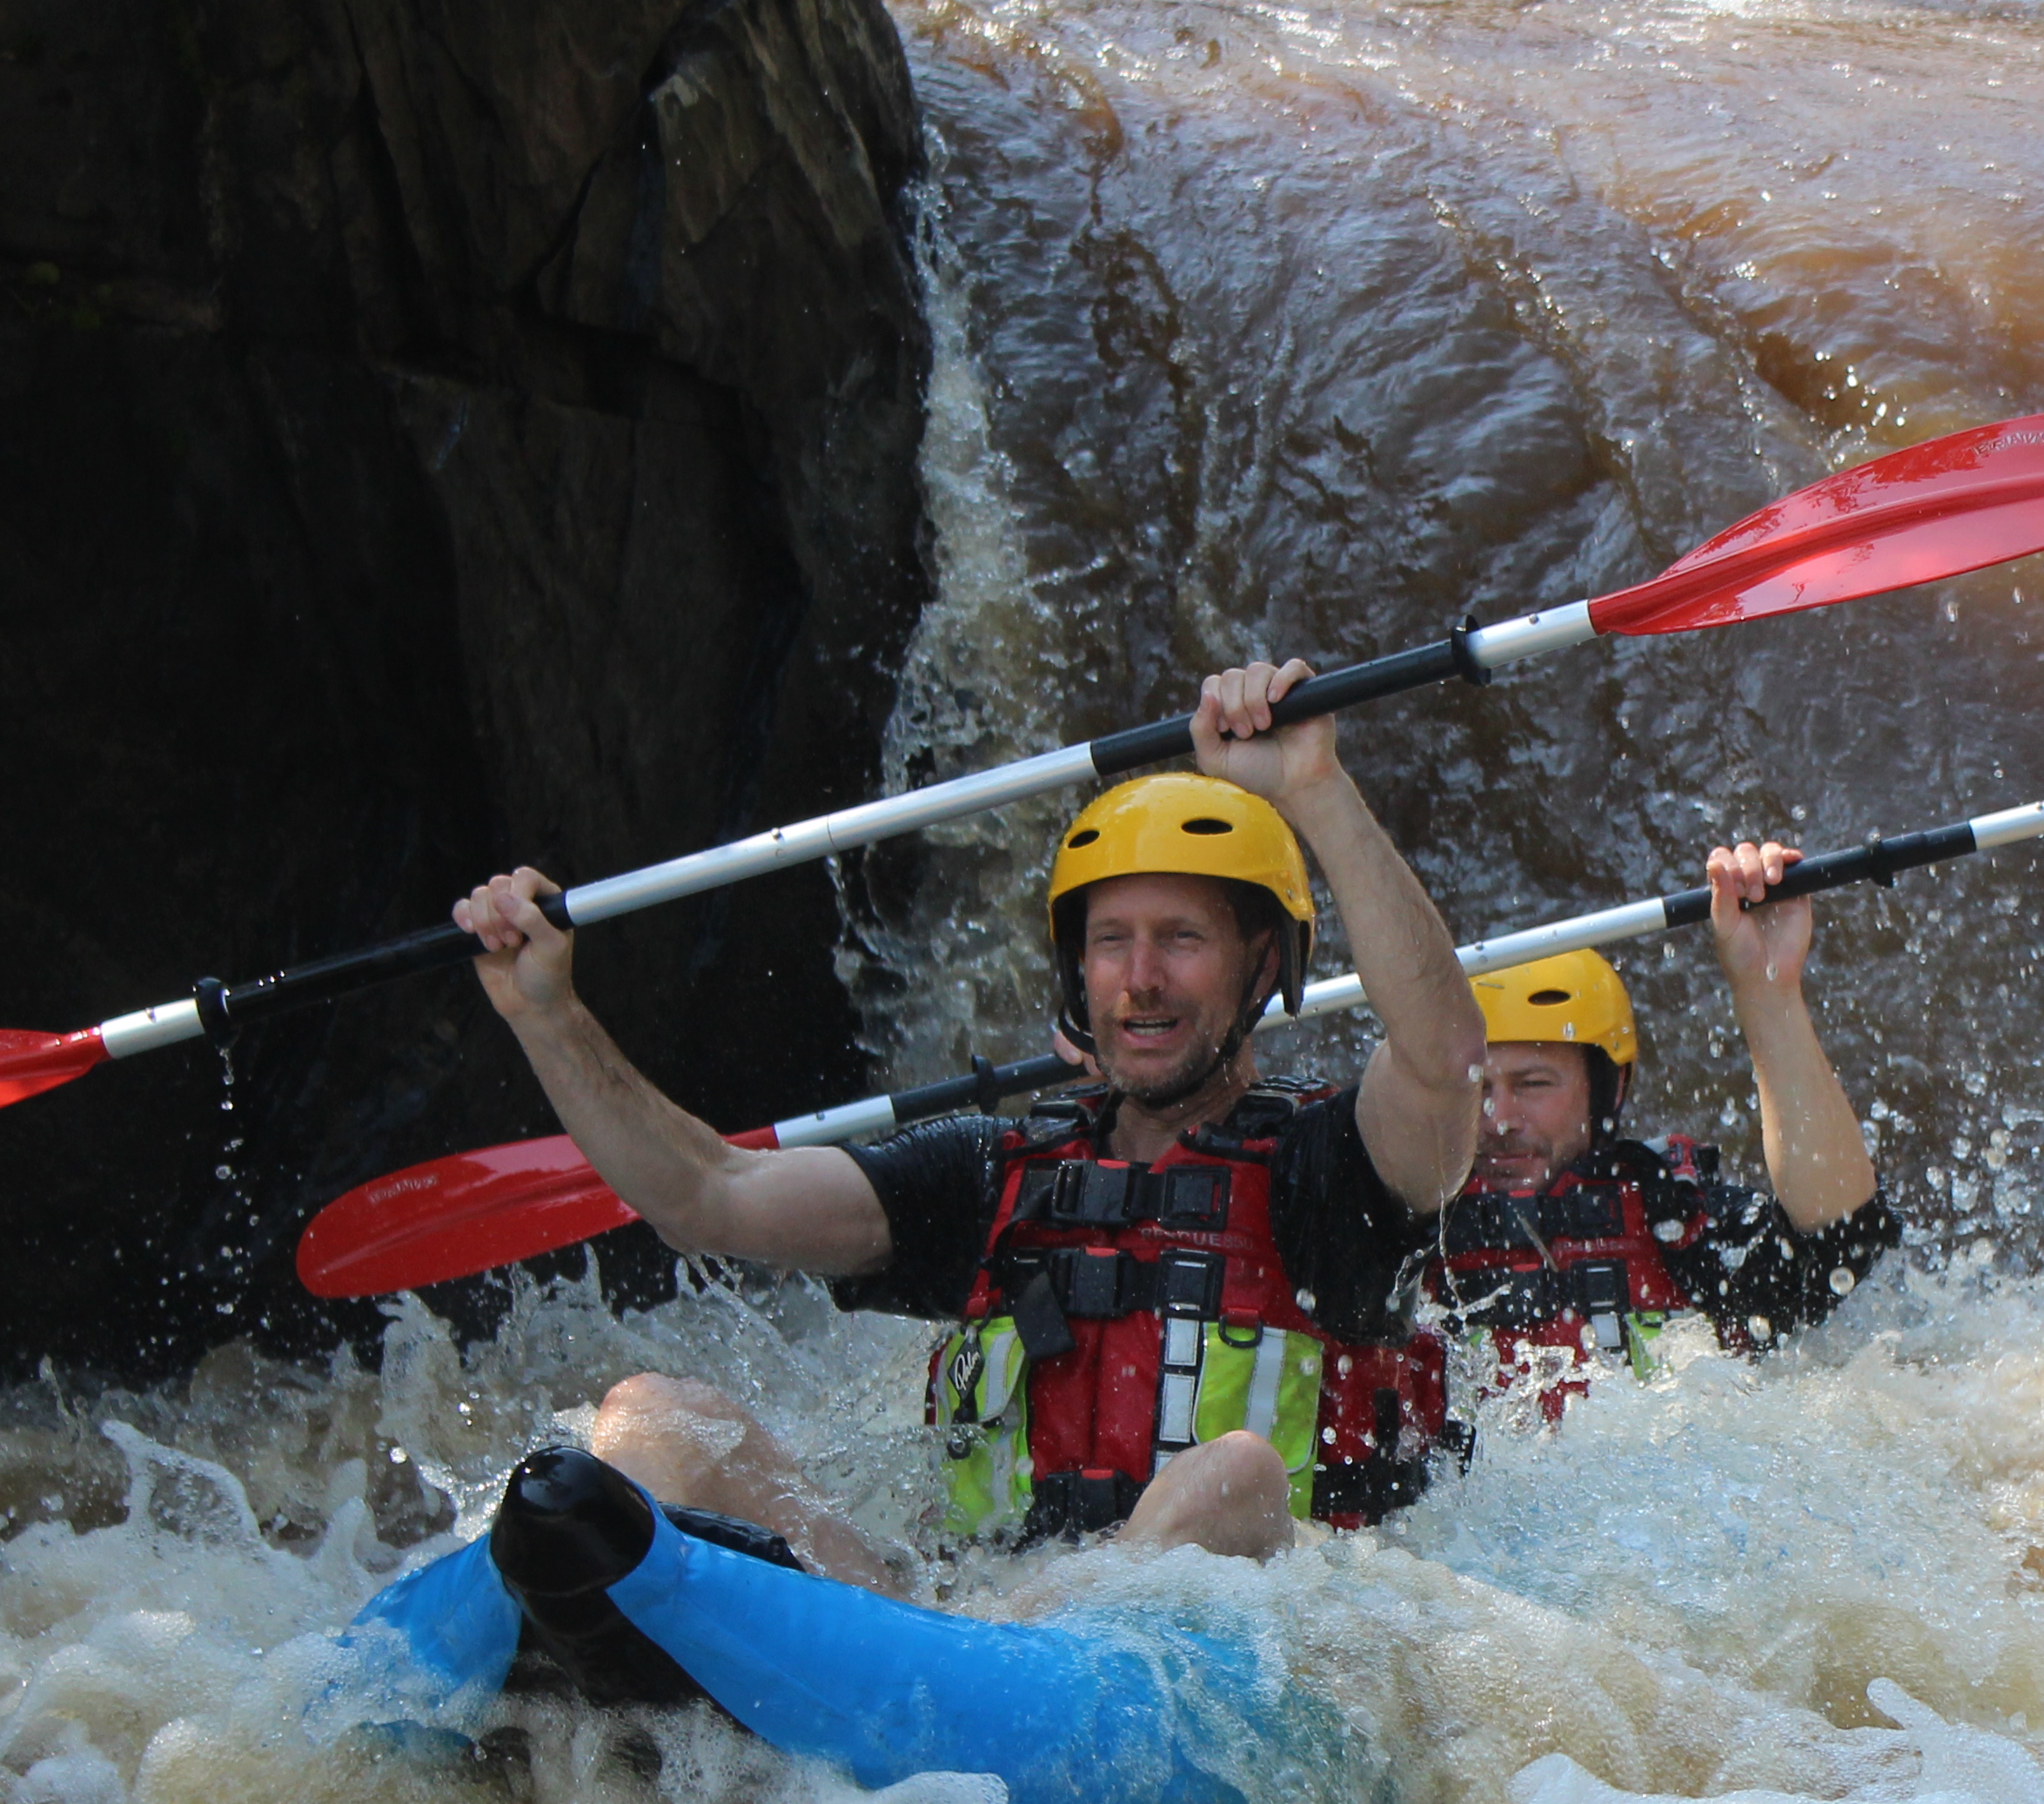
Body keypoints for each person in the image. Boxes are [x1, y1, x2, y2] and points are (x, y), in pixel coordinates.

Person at [449, 661, 1486, 1578]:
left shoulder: (1328, 1173)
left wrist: (1315, 789)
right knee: (656, 1420)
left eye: (1182, 938)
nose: (1140, 979)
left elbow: (1443, 1064)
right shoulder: (992, 1175)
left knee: (1236, 1479)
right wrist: (547, 1015)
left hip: (1197, 1683)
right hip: (955, 1649)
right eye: (1111, 941)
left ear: (1265, 964)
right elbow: (706, 1195)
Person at [1329, 842, 1902, 1508]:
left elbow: (1840, 1240)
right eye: (1476, 1086)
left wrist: (1768, 992)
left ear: (1609, 1087)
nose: (1499, 1118)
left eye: (1534, 1084)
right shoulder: (1398, 1227)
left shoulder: (1668, 1215)